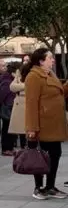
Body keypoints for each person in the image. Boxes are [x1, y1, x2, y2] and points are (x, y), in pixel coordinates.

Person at [23, 48, 68, 200]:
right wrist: (32, 128)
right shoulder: (34, 76)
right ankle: (39, 187)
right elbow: (31, 104)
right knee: (40, 157)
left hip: (53, 125)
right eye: (50, 58)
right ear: (41, 61)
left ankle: (50, 186)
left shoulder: (50, 74)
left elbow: (59, 92)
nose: (53, 60)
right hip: (42, 125)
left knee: (55, 154)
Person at [0, 62, 17, 156]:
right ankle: (6, 148)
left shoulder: (10, 80)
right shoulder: (7, 81)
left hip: (11, 106)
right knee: (6, 129)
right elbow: (1, 96)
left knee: (10, 129)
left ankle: (10, 148)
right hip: (7, 107)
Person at [8, 62, 27, 149]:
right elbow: (12, 87)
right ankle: (23, 148)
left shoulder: (34, 75)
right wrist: (24, 86)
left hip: (29, 103)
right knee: (21, 130)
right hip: (20, 103)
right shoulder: (19, 75)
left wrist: (20, 86)